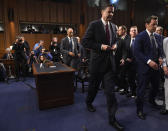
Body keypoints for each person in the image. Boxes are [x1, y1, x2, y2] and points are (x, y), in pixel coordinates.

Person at [82, 3, 124, 131]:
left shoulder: (114, 26)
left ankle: (112, 119)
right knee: (93, 87)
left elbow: (116, 39)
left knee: (110, 93)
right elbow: (85, 42)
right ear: (102, 12)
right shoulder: (93, 25)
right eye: (109, 12)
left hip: (109, 65)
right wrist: (101, 46)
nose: (111, 14)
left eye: (113, 12)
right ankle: (89, 102)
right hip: (96, 64)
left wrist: (116, 44)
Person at [134, 15, 163, 120]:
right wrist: (149, 61)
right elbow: (137, 52)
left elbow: (160, 51)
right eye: (153, 24)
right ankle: (139, 110)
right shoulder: (140, 36)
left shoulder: (159, 37)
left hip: (156, 68)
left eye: (156, 24)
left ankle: (151, 101)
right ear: (146, 24)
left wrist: (160, 57)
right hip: (144, 68)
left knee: (156, 87)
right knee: (141, 91)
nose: (155, 27)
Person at [124, 26, 138, 98]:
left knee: (139, 79)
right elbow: (124, 51)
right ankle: (132, 92)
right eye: (132, 30)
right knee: (130, 79)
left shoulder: (140, 40)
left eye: (135, 30)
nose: (133, 32)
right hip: (129, 63)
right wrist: (126, 58)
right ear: (129, 32)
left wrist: (133, 59)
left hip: (138, 63)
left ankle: (137, 93)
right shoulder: (126, 40)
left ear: (137, 32)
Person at [160, 37, 168, 115]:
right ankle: (167, 107)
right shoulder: (165, 40)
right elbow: (163, 55)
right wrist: (164, 66)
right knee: (167, 88)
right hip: (167, 69)